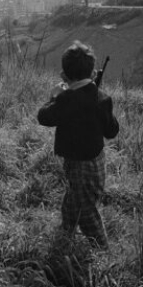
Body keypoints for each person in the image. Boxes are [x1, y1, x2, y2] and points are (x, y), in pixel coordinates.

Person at [37, 41, 119, 248]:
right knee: (75, 197)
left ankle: (102, 248)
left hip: (77, 163)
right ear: (92, 73)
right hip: (95, 161)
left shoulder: (65, 99)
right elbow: (112, 131)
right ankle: (66, 234)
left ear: (64, 75)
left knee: (85, 209)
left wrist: (54, 96)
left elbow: (44, 117)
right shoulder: (102, 99)